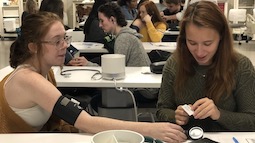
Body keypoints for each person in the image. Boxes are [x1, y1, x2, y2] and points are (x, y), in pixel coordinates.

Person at [0, 12, 186, 143]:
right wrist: (152, 130)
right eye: (57, 41)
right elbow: (85, 122)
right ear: (33, 47)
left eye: (65, 38)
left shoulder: (45, 71)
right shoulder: (28, 79)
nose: (65, 45)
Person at [156, 1, 255, 131]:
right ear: (184, 39)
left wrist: (219, 114)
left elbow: (252, 121)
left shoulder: (241, 66)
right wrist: (175, 116)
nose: (199, 52)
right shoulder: (174, 64)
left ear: (221, 38)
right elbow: (161, 111)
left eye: (208, 43)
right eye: (192, 43)